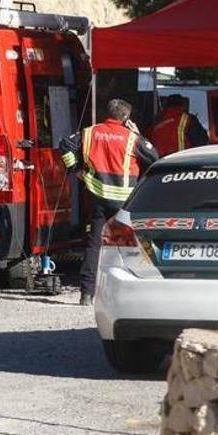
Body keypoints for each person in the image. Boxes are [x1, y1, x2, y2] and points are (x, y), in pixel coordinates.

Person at [61, 98, 158, 306]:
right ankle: (147, 287)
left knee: (93, 245)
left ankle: (86, 294)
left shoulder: (90, 132)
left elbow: (65, 145)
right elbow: (155, 158)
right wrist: (138, 134)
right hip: (124, 200)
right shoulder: (132, 138)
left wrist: (75, 170)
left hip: (98, 197)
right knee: (139, 243)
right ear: (126, 118)